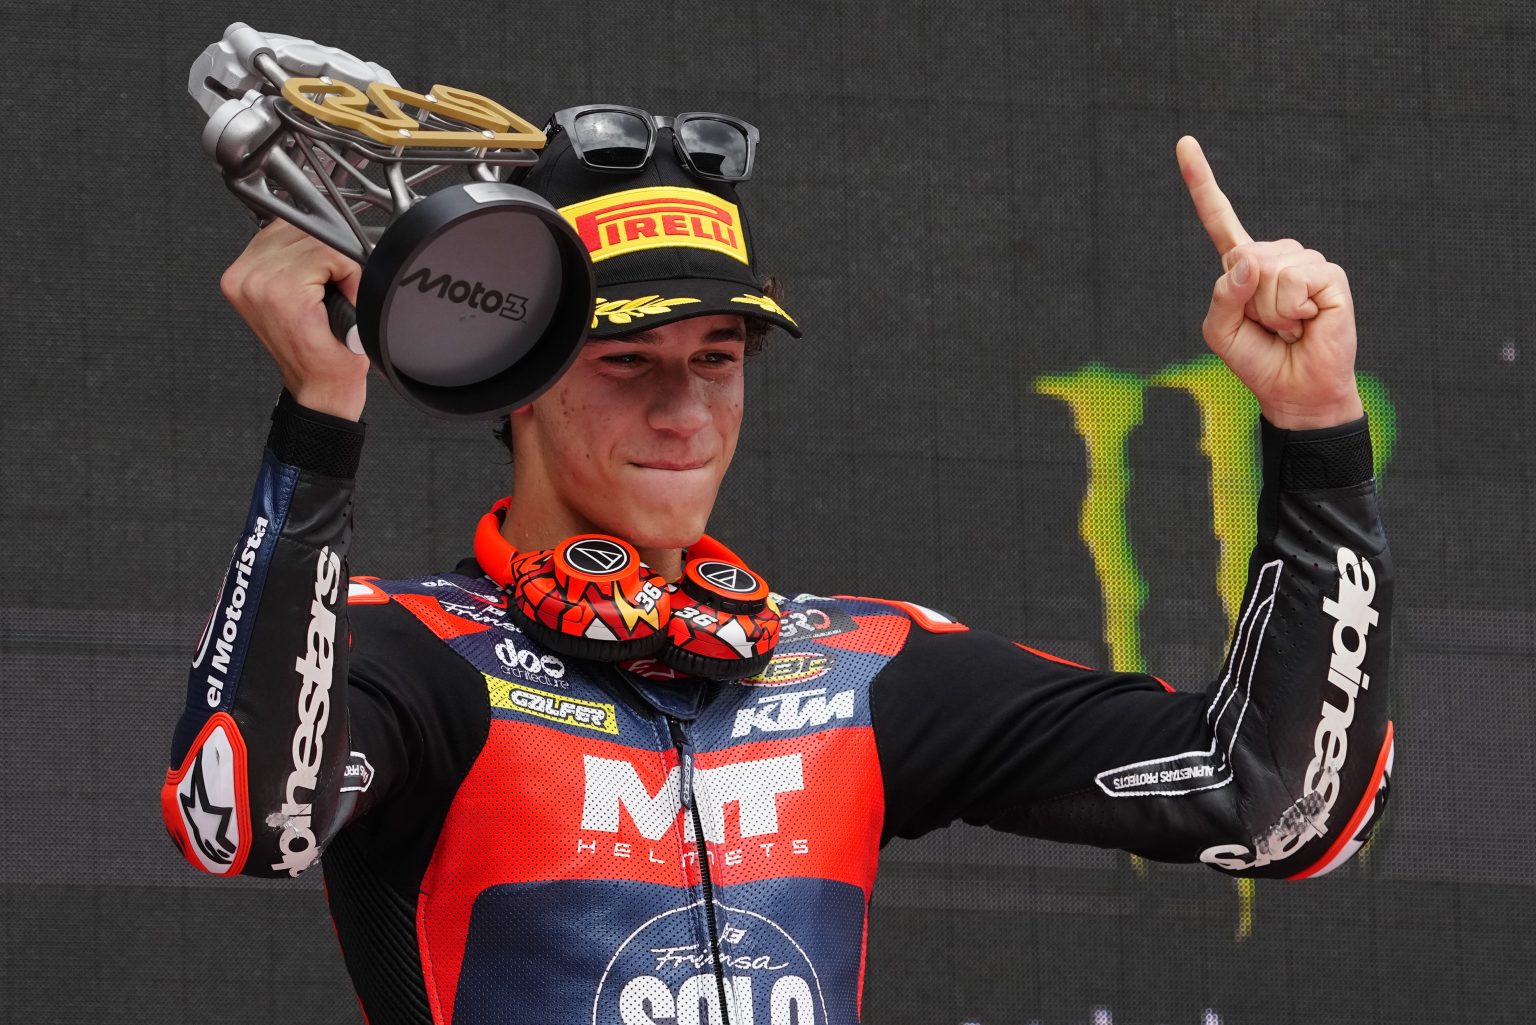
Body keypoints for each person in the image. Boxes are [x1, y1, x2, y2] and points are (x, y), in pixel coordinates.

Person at [161, 111, 1393, 1025]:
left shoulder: (857, 665)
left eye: (719, 356)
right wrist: (318, 419)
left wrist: (1319, 431)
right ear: (516, 375)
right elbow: (245, 819)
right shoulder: (411, 652)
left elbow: (1276, 802)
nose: (685, 409)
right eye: (627, 359)